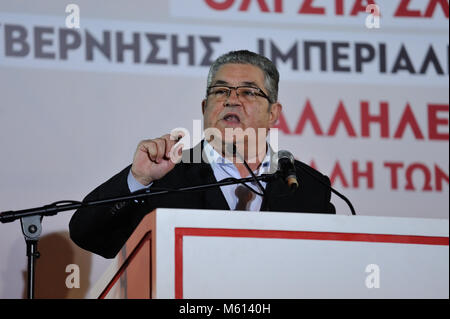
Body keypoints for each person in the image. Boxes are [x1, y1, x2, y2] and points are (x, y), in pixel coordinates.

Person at [69, 50, 335, 259]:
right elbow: (89, 235)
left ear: (273, 113)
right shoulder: (165, 175)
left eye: (248, 92)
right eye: (221, 91)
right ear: (205, 106)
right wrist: (137, 179)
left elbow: (330, 267)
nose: (232, 100)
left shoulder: (308, 186)